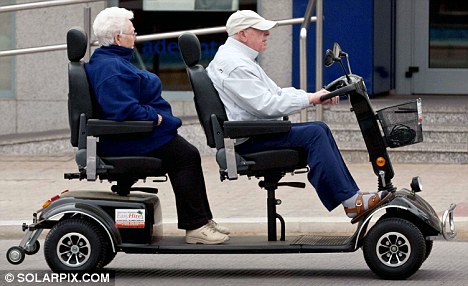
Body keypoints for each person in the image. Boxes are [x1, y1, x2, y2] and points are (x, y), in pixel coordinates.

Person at [206, 10, 393, 223]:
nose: (267, 34)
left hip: (252, 131)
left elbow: (275, 93)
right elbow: (266, 105)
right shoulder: (236, 65)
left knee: (319, 129)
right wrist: (311, 99)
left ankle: (352, 198)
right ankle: (351, 202)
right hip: (250, 138)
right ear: (242, 34)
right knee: (315, 134)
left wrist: (313, 96)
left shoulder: (237, 58)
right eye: (261, 30)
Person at [85, 7, 229, 244]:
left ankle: (202, 221)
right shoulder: (111, 68)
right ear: (118, 38)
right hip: (128, 139)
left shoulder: (111, 61)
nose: (136, 37)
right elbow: (123, 109)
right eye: (133, 33)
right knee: (186, 156)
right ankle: (196, 227)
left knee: (187, 154)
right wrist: (157, 118)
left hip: (133, 135)